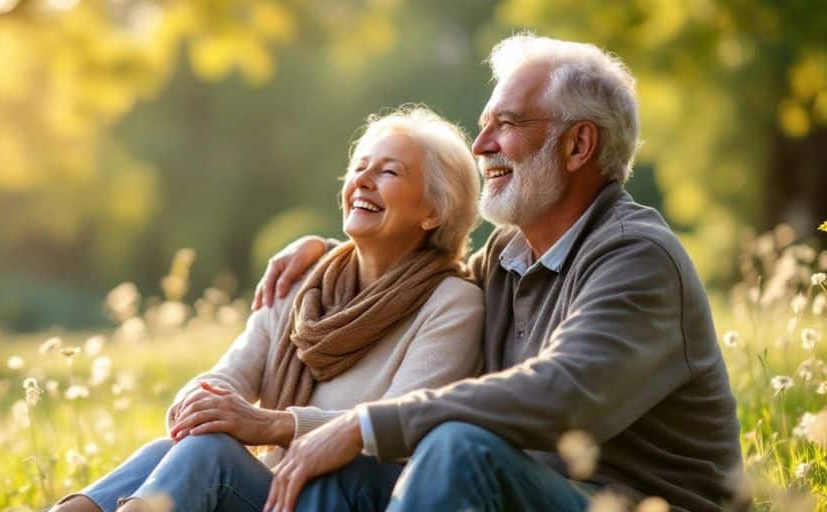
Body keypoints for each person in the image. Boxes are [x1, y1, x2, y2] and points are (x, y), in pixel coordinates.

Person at [255, 34, 743, 512]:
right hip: (531, 493)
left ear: (578, 145)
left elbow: (562, 394)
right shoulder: (507, 254)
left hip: (628, 504)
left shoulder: (636, 257)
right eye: (484, 125)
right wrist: (337, 252)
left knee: (457, 447)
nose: (481, 145)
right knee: (341, 478)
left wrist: (365, 424)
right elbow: (413, 286)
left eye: (505, 124)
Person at [49, 105, 486, 512]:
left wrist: (270, 425)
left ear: (432, 211)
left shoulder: (452, 302)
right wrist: (202, 402)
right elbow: (236, 368)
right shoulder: (303, 279)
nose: (364, 180)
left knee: (208, 451)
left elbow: (400, 427)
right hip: (276, 488)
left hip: (350, 497)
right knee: (173, 448)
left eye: (388, 171)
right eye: (359, 167)